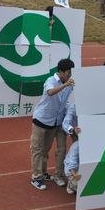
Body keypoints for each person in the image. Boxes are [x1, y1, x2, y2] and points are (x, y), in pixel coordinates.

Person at [30, 58, 75, 191]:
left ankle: (45, 173)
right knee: (37, 149)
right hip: (41, 120)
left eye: (71, 73)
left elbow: (66, 101)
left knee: (45, 150)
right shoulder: (51, 81)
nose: (69, 75)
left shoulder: (68, 84)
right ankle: (36, 177)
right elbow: (50, 93)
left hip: (55, 122)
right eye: (68, 73)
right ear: (61, 71)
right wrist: (66, 85)